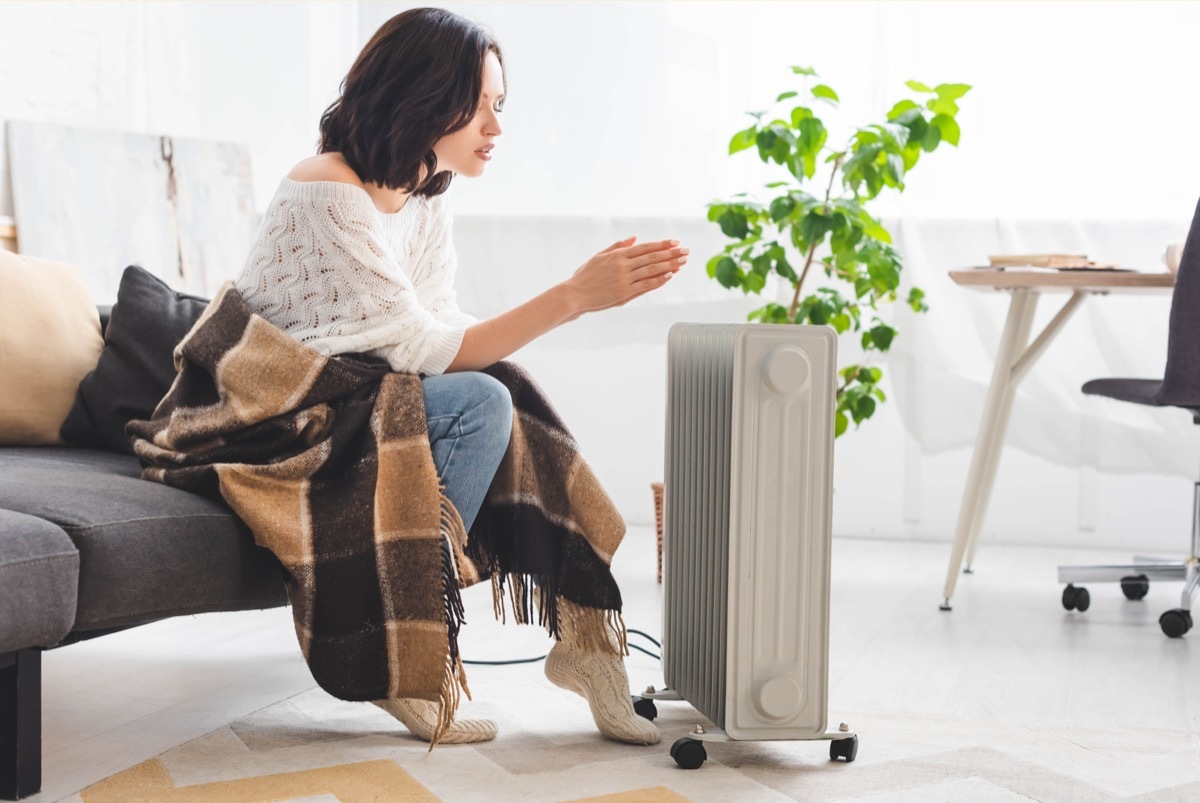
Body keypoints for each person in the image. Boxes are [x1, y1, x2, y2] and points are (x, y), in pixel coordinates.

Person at [231, 7, 687, 746]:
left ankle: (586, 642)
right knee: (483, 396)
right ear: (418, 95)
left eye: (498, 106)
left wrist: (565, 303)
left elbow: (437, 326)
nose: (495, 127)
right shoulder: (326, 188)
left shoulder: (425, 190)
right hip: (279, 409)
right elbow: (422, 346)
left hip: (358, 397)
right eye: (477, 106)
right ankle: (408, 654)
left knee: (500, 387)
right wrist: (572, 297)